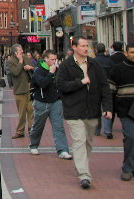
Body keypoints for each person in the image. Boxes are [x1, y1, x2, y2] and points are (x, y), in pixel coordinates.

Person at [56, 36, 112, 189]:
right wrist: (80, 82)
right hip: (73, 110)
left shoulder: (95, 65)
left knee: (87, 142)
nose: (85, 48)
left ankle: (81, 166)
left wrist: (107, 107)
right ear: (74, 47)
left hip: (92, 110)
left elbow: (104, 86)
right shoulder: (66, 65)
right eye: (82, 46)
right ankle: (84, 175)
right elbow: (60, 85)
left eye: (87, 46)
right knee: (79, 141)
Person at [28, 50, 72, 159]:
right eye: (52, 59)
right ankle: (33, 145)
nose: (54, 61)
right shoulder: (39, 70)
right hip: (41, 102)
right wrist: (50, 73)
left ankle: (62, 150)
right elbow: (42, 84)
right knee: (38, 126)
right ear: (46, 59)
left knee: (59, 126)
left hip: (55, 101)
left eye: (55, 59)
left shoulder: (58, 70)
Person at [109, 42, 134, 181]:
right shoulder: (118, 69)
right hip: (125, 110)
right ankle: (127, 168)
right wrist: (109, 109)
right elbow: (111, 90)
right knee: (130, 137)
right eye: (132, 52)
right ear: (126, 53)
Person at [7, 44, 35, 139]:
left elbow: (33, 66)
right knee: (22, 112)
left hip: (29, 87)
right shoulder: (11, 61)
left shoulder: (26, 57)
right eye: (20, 51)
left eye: (22, 50)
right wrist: (20, 62)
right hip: (19, 89)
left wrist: (30, 67)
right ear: (15, 53)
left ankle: (31, 128)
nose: (22, 52)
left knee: (31, 109)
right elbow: (15, 72)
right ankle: (20, 131)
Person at [93, 43, 115, 138]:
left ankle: (97, 130)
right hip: (108, 87)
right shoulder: (110, 61)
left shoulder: (93, 62)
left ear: (96, 51)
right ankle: (108, 130)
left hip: (96, 88)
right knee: (107, 108)